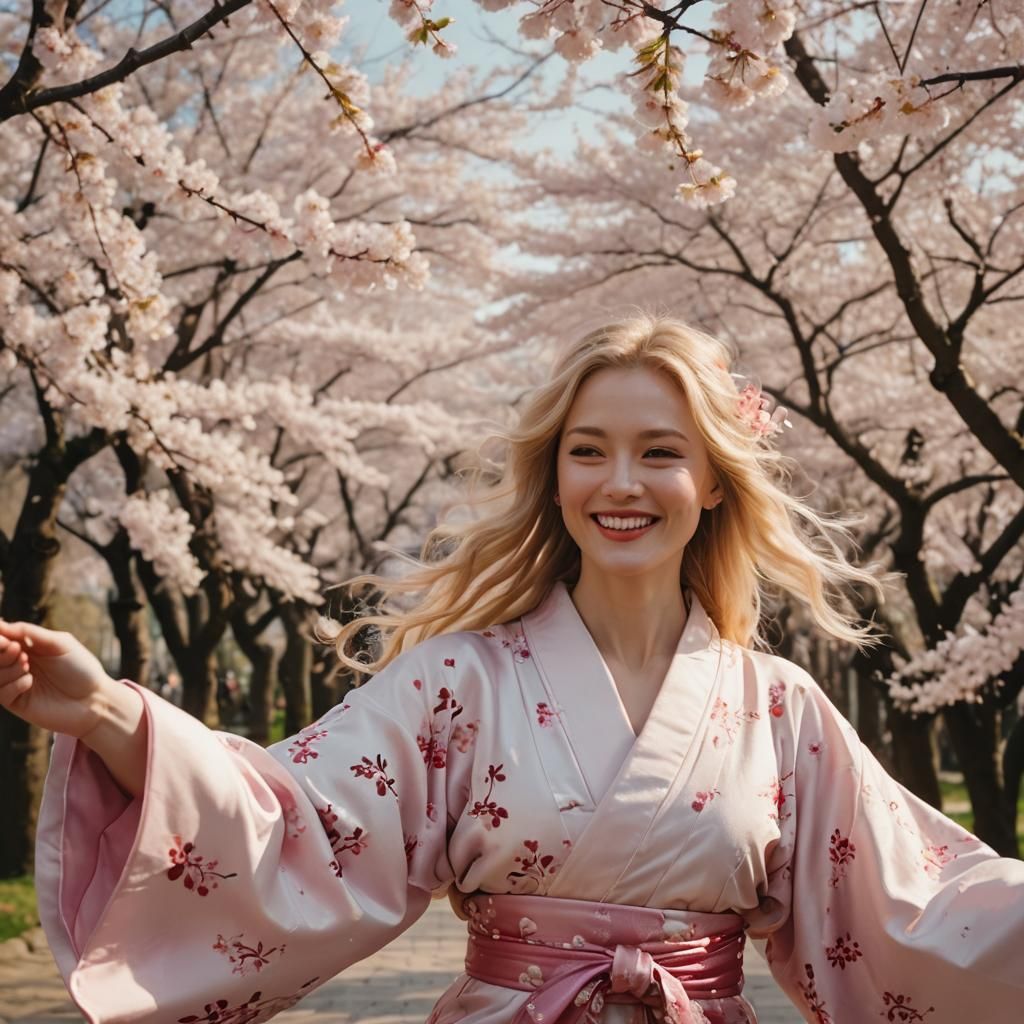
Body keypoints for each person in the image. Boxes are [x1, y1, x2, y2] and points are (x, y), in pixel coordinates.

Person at [0, 315, 1021, 1024]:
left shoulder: (778, 706)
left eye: (660, 453)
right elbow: (296, 820)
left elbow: (906, 901)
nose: (621, 483)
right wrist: (106, 714)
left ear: (713, 481)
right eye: (589, 450)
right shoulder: (460, 681)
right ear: (554, 473)